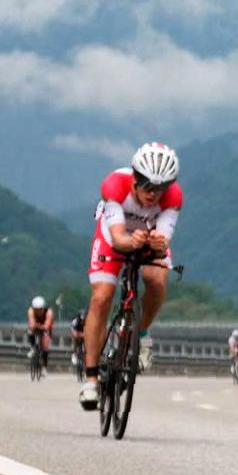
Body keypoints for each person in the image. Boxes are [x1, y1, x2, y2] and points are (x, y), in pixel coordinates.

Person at [79, 142, 183, 410]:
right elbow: (117, 238)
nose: (153, 194)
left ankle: (142, 334)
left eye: (161, 188)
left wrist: (158, 244)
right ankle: (91, 379)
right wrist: (130, 241)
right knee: (102, 297)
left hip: (147, 236)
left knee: (157, 281)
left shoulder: (173, 198)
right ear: (135, 178)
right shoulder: (114, 186)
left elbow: (163, 240)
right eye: (147, 186)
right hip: (113, 235)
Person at [26, 296, 54, 370]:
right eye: (36, 309)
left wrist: (42, 327)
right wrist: (34, 326)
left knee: (45, 347)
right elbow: (32, 323)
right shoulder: (30, 311)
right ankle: (32, 347)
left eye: (40, 309)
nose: (38, 312)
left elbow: (47, 326)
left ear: (43, 308)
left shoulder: (49, 312)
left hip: (45, 326)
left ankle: (44, 367)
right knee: (30, 331)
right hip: (36, 324)